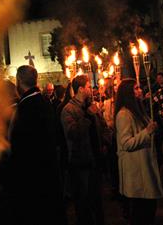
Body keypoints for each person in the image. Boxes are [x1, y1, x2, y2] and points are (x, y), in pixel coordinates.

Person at [8, 65, 63, 225]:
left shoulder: (25, 109)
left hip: (33, 181)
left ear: (18, 82)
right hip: (49, 174)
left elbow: (20, 148)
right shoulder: (45, 102)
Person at [115, 78, 163, 225]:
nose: (140, 90)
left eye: (139, 88)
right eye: (136, 88)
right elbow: (126, 143)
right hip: (137, 171)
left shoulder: (139, 111)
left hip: (145, 167)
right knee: (141, 212)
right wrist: (147, 132)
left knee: (149, 208)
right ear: (128, 93)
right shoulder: (124, 115)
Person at [61, 75, 105, 225]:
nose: (90, 90)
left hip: (95, 159)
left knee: (96, 199)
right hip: (81, 162)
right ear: (80, 89)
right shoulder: (69, 109)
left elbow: (101, 127)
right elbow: (73, 133)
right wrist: (87, 116)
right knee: (83, 201)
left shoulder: (90, 106)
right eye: (87, 87)